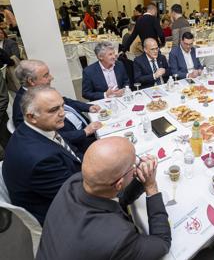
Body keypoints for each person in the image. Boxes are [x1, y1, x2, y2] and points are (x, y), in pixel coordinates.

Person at [36, 137, 171, 259]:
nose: (137, 163)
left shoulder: (74, 182)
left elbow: (119, 200)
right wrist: (151, 187)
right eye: (134, 164)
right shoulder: (118, 238)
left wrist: (142, 180)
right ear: (119, 184)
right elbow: (161, 243)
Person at [2, 86, 82, 225]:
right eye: (54, 110)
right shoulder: (41, 159)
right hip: (60, 215)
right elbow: (76, 195)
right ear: (31, 117)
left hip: (65, 185)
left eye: (62, 106)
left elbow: (73, 152)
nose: (63, 113)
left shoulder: (39, 127)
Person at [13, 60, 102, 153]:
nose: (51, 77)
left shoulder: (38, 91)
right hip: (78, 144)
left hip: (87, 128)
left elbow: (66, 100)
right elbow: (48, 138)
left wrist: (88, 107)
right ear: (31, 81)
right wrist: (85, 132)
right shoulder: (23, 108)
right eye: (46, 75)